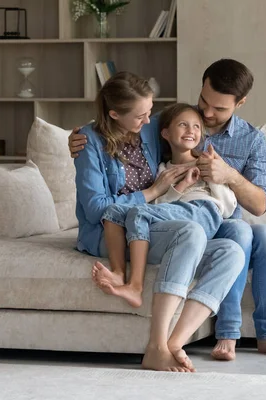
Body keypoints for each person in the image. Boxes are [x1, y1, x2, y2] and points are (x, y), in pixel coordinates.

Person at [71, 59, 266, 361]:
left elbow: (259, 205)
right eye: (203, 102)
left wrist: (229, 175)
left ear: (240, 103)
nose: (206, 114)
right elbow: (115, 125)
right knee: (234, 232)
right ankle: (227, 331)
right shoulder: (162, 123)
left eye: (218, 109)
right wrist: (79, 138)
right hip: (172, 216)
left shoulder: (251, 139)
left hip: (212, 215)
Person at [74, 71, 245, 372]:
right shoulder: (90, 142)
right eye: (141, 116)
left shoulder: (149, 128)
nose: (149, 120)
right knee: (190, 232)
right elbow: (94, 209)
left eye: (151, 112)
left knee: (231, 252)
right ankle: (155, 345)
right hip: (111, 231)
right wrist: (152, 191)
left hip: (157, 225)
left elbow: (185, 123)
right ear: (114, 114)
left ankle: (174, 343)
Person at [93, 103, 238, 308]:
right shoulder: (163, 170)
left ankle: (135, 286)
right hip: (178, 223)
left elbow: (229, 206)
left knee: (138, 213)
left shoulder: (207, 163)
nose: (191, 131)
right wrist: (181, 186)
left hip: (204, 213)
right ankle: (119, 274)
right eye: (183, 125)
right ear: (166, 133)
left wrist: (212, 174)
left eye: (197, 127)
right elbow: (159, 207)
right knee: (114, 211)